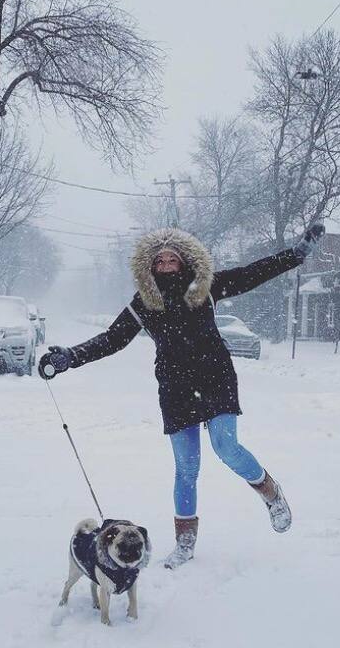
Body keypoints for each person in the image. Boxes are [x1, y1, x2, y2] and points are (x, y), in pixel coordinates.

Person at [39, 224, 325, 568]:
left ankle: (270, 492)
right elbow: (112, 339)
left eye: (171, 259)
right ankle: (185, 542)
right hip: (175, 386)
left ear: (184, 260)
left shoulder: (205, 286)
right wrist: (71, 356)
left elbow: (252, 273)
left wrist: (294, 256)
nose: (165, 266)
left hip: (215, 376)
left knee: (226, 447)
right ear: (150, 266)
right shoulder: (144, 302)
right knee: (187, 467)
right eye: (158, 261)